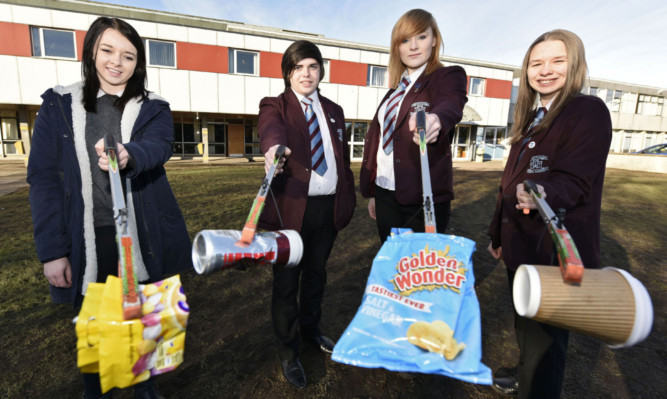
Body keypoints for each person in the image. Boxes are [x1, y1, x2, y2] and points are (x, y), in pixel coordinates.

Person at [27, 17, 191, 399]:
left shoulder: (154, 107)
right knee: (96, 339)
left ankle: (146, 391)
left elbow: (158, 147)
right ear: (91, 52)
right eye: (108, 50)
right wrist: (52, 251)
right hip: (89, 243)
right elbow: (45, 180)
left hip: (144, 237)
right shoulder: (59, 104)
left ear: (139, 63)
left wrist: (128, 154)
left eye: (129, 56)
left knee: (145, 332)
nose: (117, 62)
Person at [487, 30, 612, 398]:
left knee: (547, 341)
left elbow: (575, 180)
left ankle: (536, 387)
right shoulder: (530, 118)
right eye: (536, 63)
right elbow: (507, 187)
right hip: (521, 246)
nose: (545, 70)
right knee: (526, 325)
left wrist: (543, 192)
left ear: (575, 65)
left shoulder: (587, 111)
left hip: (553, 252)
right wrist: (497, 235)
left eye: (557, 61)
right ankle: (526, 373)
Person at [257, 39, 356, 389]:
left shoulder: (334, 110)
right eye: (298, 67)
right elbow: (272, 131)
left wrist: (348, 195)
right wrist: (273, 149)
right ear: (287, 72)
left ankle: (312, 331)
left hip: (326, 210)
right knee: (286, 284)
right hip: (290, 213)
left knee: (316, 276)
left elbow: (341, 158)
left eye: (312, 66)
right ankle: (288, 351)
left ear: (321, 71)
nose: (306, 73)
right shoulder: (275, 105)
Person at [359, 9, 468, 242]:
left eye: (421, 37)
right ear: (397, 47)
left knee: (420, 273)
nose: (413, 46)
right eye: (405, 40)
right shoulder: (392, 93)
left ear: (435, 40)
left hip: (422, 200)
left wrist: (435, 120)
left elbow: (451, 104)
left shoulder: (446, 76)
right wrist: (374, 194)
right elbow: (380, 144)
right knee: (393, 269)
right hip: (385, 193)